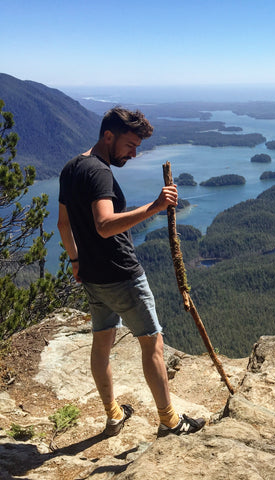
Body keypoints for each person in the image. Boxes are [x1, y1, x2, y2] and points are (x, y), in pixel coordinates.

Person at [57, 107, 205, 437]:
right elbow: (105, 225)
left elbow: (63, 224)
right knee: (152, 345)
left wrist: (76, 262)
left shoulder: (70, 169)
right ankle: (170, 421)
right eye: (130, 145)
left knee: (101, 344)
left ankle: (112, 415)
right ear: (108, 136)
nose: (134, 154)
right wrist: (154, 207)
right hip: (122, 275)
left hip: (93, 278)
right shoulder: (100, 174)